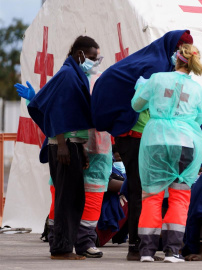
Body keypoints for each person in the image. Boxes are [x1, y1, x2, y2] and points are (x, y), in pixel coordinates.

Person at [92, 30, 193, 261]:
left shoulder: (160, 65)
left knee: (144, 191)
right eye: (180, 49)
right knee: (139, 191)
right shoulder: (155, 66)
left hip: (141, 138)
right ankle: (137, 248)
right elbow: (141, 102)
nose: (181, 54)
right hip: (135, 136)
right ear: (173, 48)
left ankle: (142, 247)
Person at [26, 36, 100, 260]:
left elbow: (72, 115)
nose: (95, 62)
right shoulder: (68, 75)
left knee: (73, 197)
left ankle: (64, 247)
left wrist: (82, 148)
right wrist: (61, 144)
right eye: (92, 57)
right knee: (66, 199)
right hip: (63, 145)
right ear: (80, 55)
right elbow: (56, 110)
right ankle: (61, 249)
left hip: (71, 144)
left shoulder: (75, 75)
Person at [131, 43, 202, 263]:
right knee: (179, 198)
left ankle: (146, 252)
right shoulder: (197, 89)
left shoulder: (156, 79)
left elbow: (136, 105)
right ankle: (173, 251)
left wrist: (141, 89)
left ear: (175, 59)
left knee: (152, 197)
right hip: (185, 143)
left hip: (155, 141)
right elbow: (199, 119)